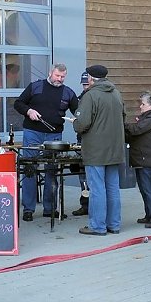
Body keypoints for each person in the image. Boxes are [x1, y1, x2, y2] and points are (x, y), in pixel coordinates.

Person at [13, 63, 79, 221]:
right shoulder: (35, 86)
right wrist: (29, 111)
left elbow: (79, 111)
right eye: (57, 76)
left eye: (63, 77)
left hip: (54, 135)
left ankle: (50, 209)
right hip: (32, 132)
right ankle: (28, 209)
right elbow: (18, 103)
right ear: (50, 73)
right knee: (29, 169)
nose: (60, 79)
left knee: (52, 170)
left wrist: (77, 119)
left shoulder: (68, 92)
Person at [73, 65, 125, 236]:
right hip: (115, 149)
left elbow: (82, 123)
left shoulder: (91, 95)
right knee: (112, 188)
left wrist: (75, 122)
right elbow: (122, 117)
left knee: (97, 189)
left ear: (90, 78)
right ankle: (114, 225)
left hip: (96, 150)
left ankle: (98, 226)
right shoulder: (116, 93)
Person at [125, 90, 151, 229]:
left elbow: (135, 130)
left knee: (149, 189)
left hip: (148, 160)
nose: (140, 107)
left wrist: (121, 123)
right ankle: (150, 215)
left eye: (143, 104)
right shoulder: (147, 119)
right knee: (145, 189)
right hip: (143, 159)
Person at [72, 70, 91, 217]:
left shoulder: (92, 98)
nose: (85, 87)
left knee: (91, 176)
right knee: (83, 176)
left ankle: (92, 206)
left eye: (87, 84)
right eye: (83, 84)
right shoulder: (81, 98)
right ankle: (85, 204)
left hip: (91, 141)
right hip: (81, 140)